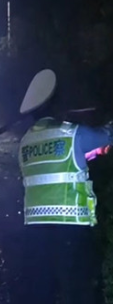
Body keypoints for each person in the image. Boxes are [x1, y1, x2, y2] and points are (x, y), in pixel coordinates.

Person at [18, 90, 113, 304]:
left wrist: (91, 152)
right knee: (79, 290)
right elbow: (106, 137)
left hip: (35, 231)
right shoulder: (72, 134)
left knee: (43, 291)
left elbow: (56, 164)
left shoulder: (25, 143)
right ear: (55, 107)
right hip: (70, 228)